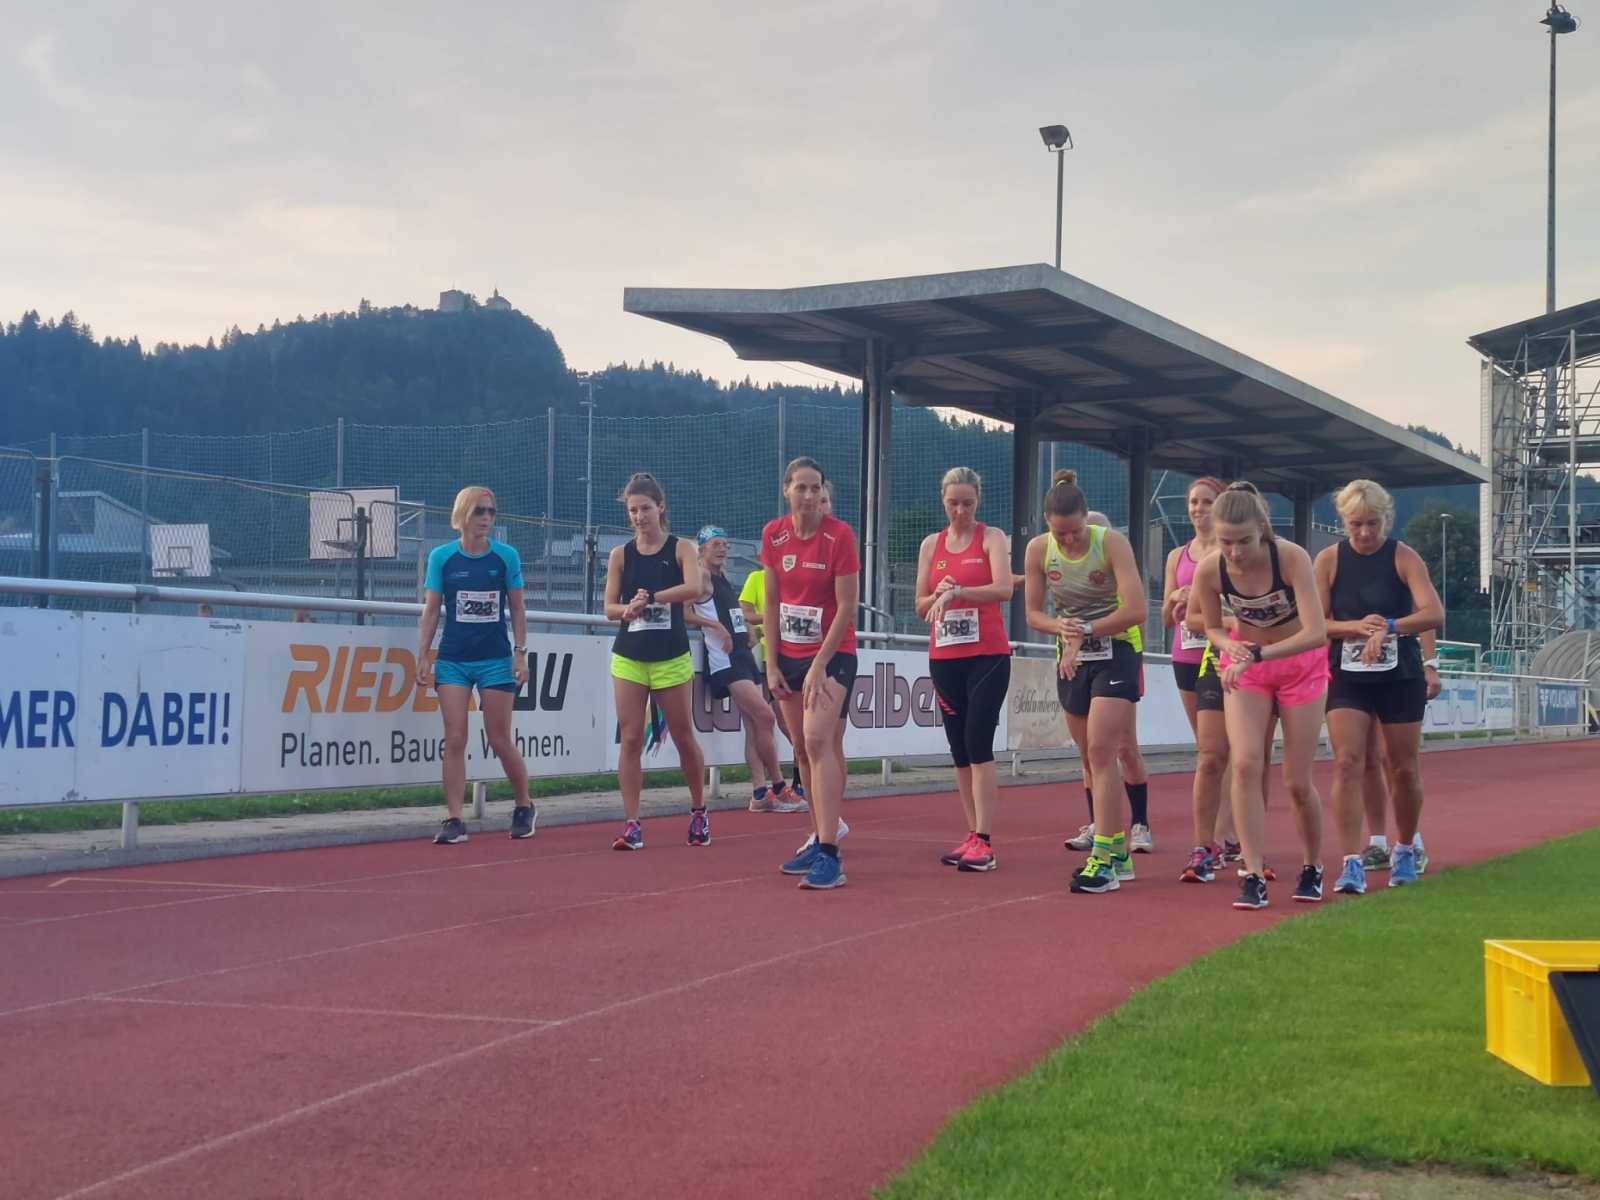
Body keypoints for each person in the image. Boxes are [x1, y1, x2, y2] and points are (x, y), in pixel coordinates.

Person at [1191, 481, 1328, 910]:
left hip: (1300, 666)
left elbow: (1316, 631)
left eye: (1244, 541)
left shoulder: (1290, 558)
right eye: (1225, 542)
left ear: (1262, 531)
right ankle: (1251, 873)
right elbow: (1209, 626)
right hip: (1247, 671)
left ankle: (1312, 865)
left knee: (1297, 780)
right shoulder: (1210, 570)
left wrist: (1259, 652)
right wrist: (1228, 645)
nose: (1234, 552)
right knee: (1246, 763)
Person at [1315, 479, 1443, 894]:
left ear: (1387, 520)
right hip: (1348, 674)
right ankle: (1352, 860)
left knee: (1402, 766)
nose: (1365, 532)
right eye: (1356, 524)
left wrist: (1390, 626)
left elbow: (1433, 613)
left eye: (1373, 523)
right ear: (1343, 522)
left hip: (1399, 674)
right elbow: (1315, 624)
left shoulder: (1403, 556)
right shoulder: (1329, 560)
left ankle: (1404, 848)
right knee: (1347, 761)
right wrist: (1354, 627)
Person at [1024, 470, 1147, 895]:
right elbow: (1033, 613)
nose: (1069, 540)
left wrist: (1086, 629)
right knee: (1088, 757)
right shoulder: (1038, 550)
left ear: (1086, 519)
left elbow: (1136, 609)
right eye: (1060, 533)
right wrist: (1061, 629)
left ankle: (1104, 856)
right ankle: (1121, 854)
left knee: (1102, 749)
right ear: (1047, 524)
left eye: (1075, 531)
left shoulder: (1110, 543)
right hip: (1072, 658)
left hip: (1117, 650)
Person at [416, 486, 535, 845]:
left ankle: (524, 805)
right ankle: (454, 818)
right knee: (454, 738)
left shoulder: (506, 557)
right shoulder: (442, 557)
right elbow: (431, 610)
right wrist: (423, 654)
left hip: (495, 659)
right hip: (453, 659)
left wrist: (520, 653)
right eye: (479, 511)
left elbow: (517, 608)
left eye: (491, 512)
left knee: (499, 738)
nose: (486, 518)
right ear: (463, 515)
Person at [765, 457, 859, 890]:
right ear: (786, 490)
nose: (808, 496)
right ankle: (821, 833)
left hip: (833, 654)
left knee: (819, 740)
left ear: (823, 492)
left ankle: (830, 856)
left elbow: (847, 606)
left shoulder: (839, 536)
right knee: (802, 749)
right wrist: (770, 664)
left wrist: (819, 663)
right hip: (787, 655)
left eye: (815, 488)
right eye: (800, 487)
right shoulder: (774, 535)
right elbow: (771, 603)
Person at [604, 472, 709, 850]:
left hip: (671, 657)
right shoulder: (620, 555)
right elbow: (608, 608)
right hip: (630, 657)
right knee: (631, 737)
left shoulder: (681, 549)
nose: (639, 517)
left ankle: (698, 810)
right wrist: (627, 610)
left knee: (682, 735)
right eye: (633, 510)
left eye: (645, 509)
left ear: (660, 508)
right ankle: (632, 823)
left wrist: (654, 598)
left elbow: (695, 587)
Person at [916, 467, 1013, 873]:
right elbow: (920, 605)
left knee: (978, 740)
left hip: (987, 655)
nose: (960, 511)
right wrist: (938, 595)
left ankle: (985, 841)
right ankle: (972, 833)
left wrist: (959, 592)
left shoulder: (991, 538)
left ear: (978, 501)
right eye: (953, 503)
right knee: (958, 747)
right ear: (943, 500)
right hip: (945, 658)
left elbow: (1004, 589)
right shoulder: (931, 544)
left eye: (967, 504)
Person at [687, 525, 803, 814]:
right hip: (725, 660)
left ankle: (759, 793)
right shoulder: (701, 576)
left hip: (744, 655)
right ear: (702, 549)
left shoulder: (723, 577)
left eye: (725, 544)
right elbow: (684, 612)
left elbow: (734, 612)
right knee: (766, 716)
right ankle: (779, 786)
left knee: (754, 726)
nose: (722, 549)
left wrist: (748, 629)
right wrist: (715, 627)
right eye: (716, 544)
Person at [1160, 477, 1240, 883]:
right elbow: (1165, 617)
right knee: (1208, 750)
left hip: (1223, 655)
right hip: (1186, 655)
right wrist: (1177, 599)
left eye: (1206, 502)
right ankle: (1220, 833)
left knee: (1223, 750)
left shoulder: (1229, 552)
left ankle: (1224, 834)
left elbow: (1238, 609)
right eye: (1193, 502)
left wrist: (1206, 602)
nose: (1198, 509)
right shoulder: (1177, 555)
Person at [1064, 509, 1156, 855]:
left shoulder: (1120, 574)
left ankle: (1140, 823)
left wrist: (1136, 669)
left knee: (1124, 747)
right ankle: (1098, 824)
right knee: (1089, 752)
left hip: (1119, 661)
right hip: (1079, 665)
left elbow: (1137, 619)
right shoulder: (1067, 576)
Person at [1360, 627, 1442, 875]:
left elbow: (1427, 616)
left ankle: (1411, 841)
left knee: (1396, 761)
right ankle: (1377, 843)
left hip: (1398, 666)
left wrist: (1430, 665)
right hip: (1353, 665)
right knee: (1366, 757)